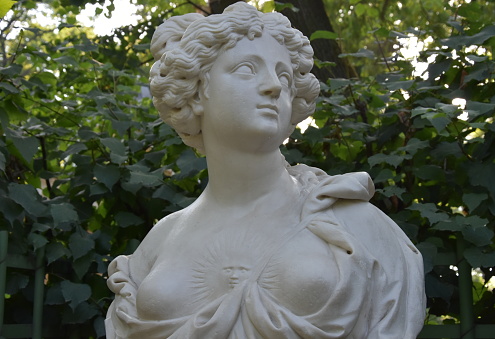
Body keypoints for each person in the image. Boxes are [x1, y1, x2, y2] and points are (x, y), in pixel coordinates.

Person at [105, 3, 426, 338]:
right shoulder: (157, 245)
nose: (274, 86)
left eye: (284, 75)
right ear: (197, 92)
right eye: (247, 69)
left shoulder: (358, 228)